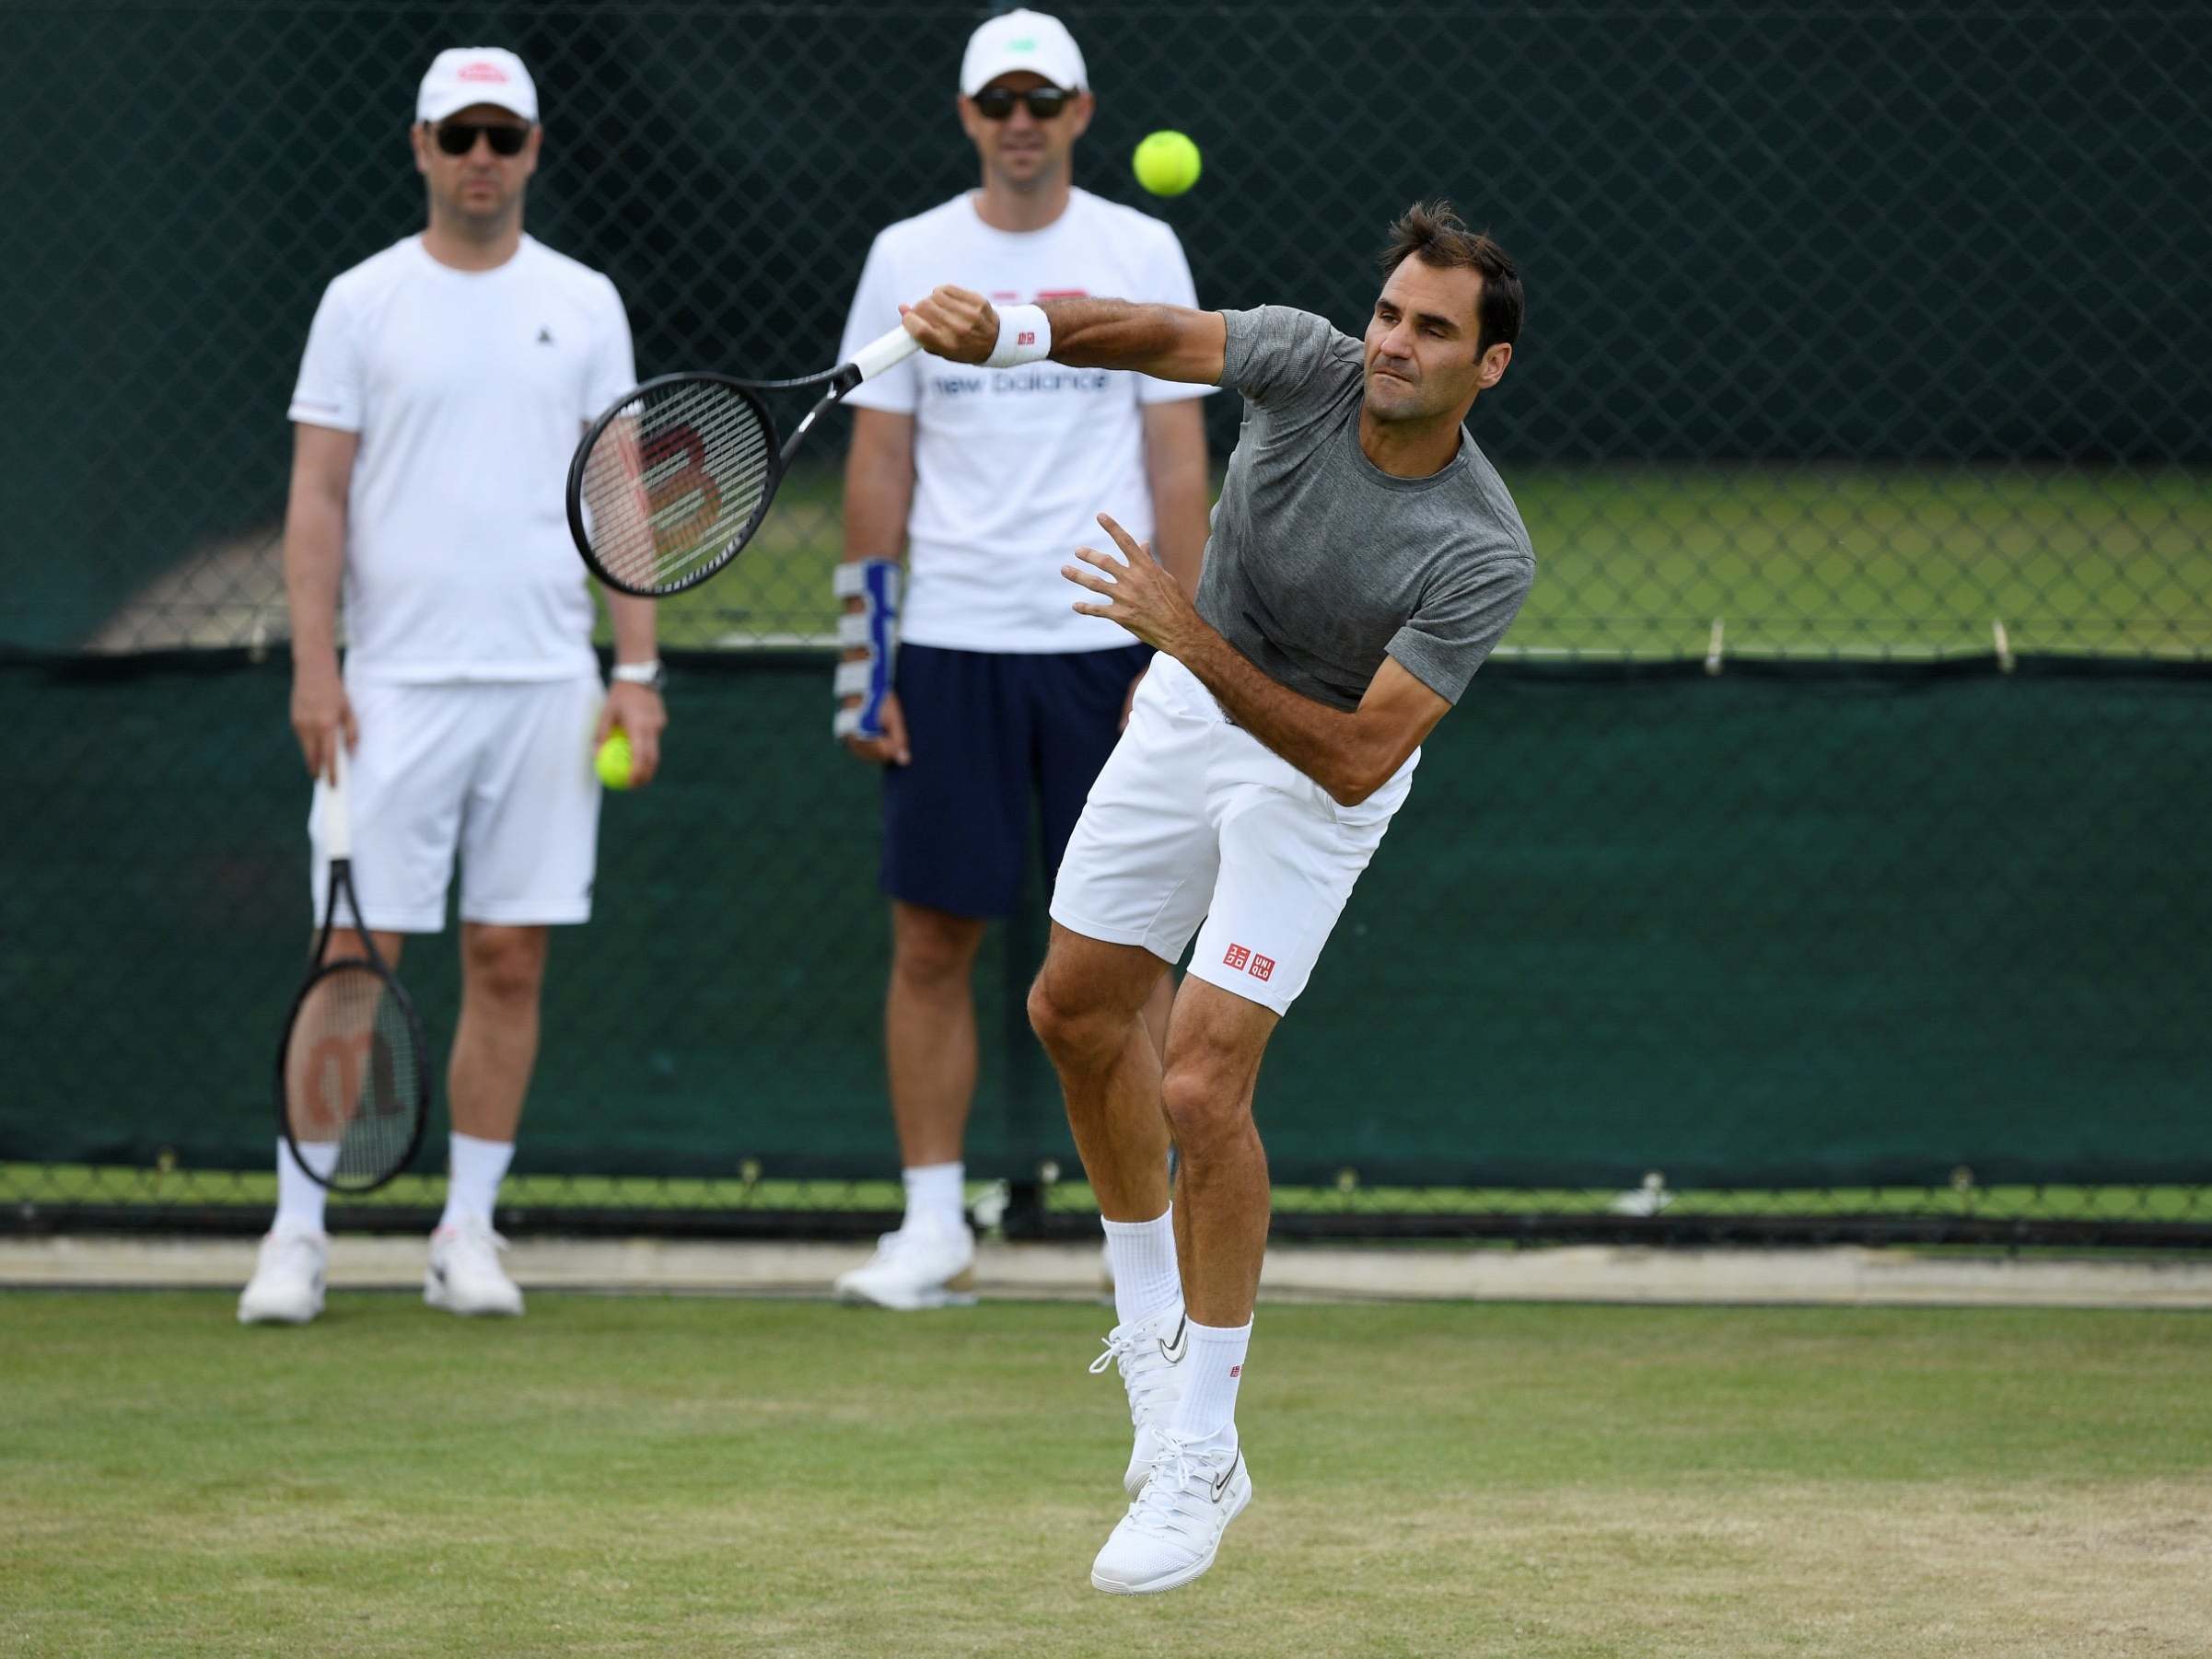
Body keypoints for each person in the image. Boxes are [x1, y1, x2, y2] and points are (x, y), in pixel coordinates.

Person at [895, 201, 1533, 1591]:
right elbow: (1141, 330)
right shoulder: (1306, 362)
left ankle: (1205, 1448)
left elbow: (1361, 757)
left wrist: (1183, 631)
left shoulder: (1481, 548)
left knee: (1198, 1088)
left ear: (1485, 367)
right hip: (1189, 710)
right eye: (1389, 313)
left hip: (1313, 782)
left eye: (1433, 330)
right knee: (1070, 1010)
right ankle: (1148, 1338)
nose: (1393, 344)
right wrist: (1003, 330)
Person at [239, 47, 666, 1326]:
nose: (481, 156)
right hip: (396, 688)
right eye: (459, 134)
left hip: (546, 682)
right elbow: (316, 498)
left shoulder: (585, 303)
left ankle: (465, 1231)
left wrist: (634, 670)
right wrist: (318, 666)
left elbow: (622, 495)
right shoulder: (360, 302)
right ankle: (297, 1231)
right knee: (350, 958)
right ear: (422, 147)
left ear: (532, 151)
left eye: (503, 135)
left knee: (510, 956)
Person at [826, 9, 1212, 1311]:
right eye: (998, 101)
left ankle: (1149, 1233)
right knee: (932, 939)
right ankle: (933, 1223)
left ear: (1082, 113)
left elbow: (1176, 459)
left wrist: (1190, 645)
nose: (1021, 121)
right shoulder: (907, 253)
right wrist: (861, 656)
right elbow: (878, 463)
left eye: (1043, 99)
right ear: (968, 117)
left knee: (1130, 953)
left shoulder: (1139, 246)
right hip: (945, 645)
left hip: (1109, 647)